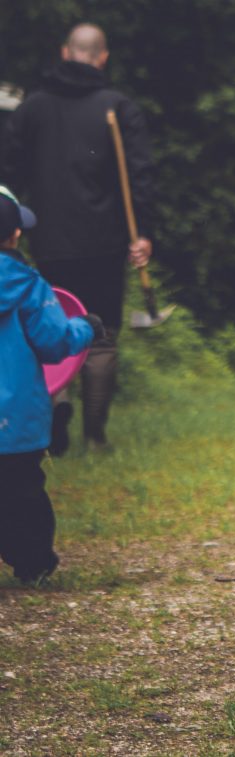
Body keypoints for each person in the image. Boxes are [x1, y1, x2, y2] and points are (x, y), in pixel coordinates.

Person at [0, 23, 156, 454]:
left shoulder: (32, 108)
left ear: (64, 51)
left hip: (47, 239)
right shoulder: (117, 106)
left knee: (46, 324)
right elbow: (140, 175)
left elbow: (8, 174)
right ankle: (95, 435)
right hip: (105, 244)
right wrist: (142, 233)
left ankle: (59, 402)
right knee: (101, 333)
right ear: (102, 58)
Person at [0, 185, 99, 583]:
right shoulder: (27, 285)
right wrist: (85, 327)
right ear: (15, 235)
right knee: (24, 491)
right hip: (18, 417)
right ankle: (33, 560)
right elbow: (55, 342)